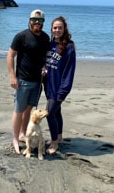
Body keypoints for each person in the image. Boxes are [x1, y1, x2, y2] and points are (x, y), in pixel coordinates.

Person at [7, 9, 50, 154]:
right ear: (30, 20)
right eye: (34, 20)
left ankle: (22, 134)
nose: (37, 23)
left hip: (37, 82)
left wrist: (44, 67)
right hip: (23, 81)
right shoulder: (21, 36)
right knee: (18, 110)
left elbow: (44, 57)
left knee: (28, 110)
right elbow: (10, 56)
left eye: (40, 20)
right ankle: (15, 138)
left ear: (43, 22)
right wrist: (13, 76)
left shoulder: (45, 38)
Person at [43, 16, 76, 155]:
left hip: (59, 89)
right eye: (55, 28)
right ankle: (60, 137)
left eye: (60, 28)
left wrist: (63, 92)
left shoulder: (69, 48)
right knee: (57, 112)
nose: (57, 30)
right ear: (51, 29)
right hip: (48, 86)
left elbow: (69, 71)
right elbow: (47, 62)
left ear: (64, 29)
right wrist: (43, 68)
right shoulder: (50, 45)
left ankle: (54, 142)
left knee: (49, 114)